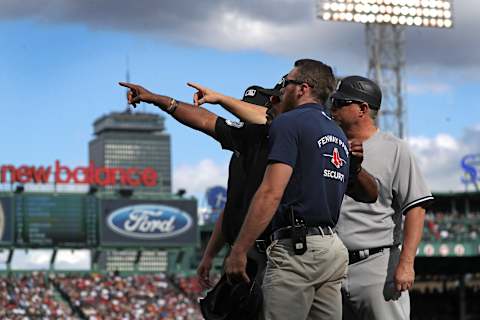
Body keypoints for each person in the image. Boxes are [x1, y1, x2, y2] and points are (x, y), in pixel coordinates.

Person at [224, 59, 372, 320]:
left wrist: (239, 250)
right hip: (331, 248)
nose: (282, 90)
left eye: (287, 83)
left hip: (298, 249)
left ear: (303, 88)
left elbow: (271, 192)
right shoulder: (335, 131)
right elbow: (370, 194)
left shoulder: (289, 123)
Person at [329, 75, 434, 320]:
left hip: (376, 265)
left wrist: (406, 264)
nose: (332, 107)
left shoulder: (396, 149)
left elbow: (416, 209)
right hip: (330, 264)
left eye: (340, 102)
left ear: (362, 109)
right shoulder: (328, 144)